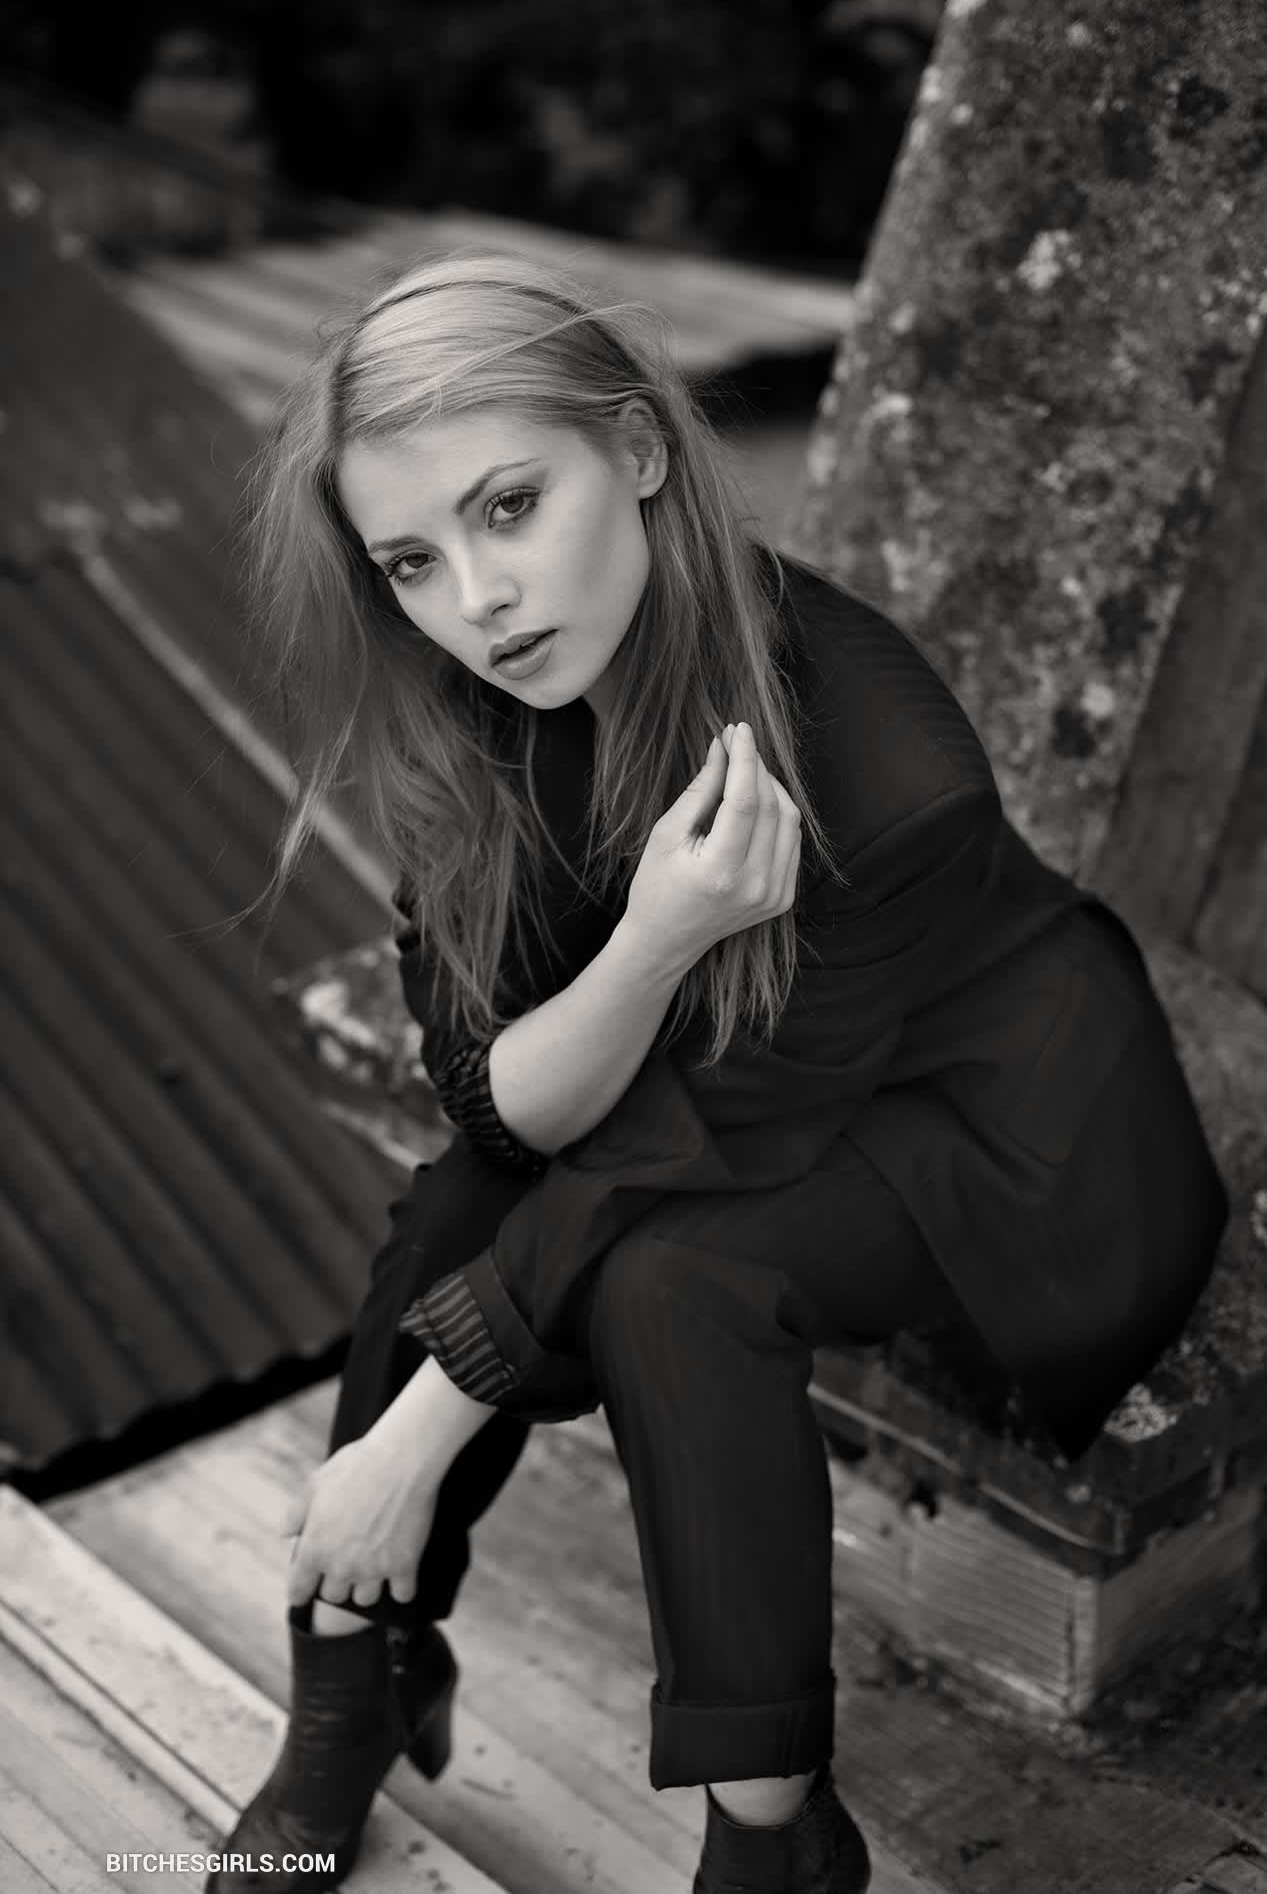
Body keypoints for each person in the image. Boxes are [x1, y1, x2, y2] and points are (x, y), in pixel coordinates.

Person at [209, 250, 1228, 1894]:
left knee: (674, 1280)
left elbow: (716, 1129)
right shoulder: (486, 706)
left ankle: (772, 1835)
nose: (477, 599)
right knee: (471, 1198)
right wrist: (653, 942)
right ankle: (355, 1677)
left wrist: (410, 1442)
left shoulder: (884, 761)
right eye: (411, 559)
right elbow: (494, 1103)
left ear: (637, 449)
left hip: (998, 1137)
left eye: (509, 507)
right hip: (739, 1090)